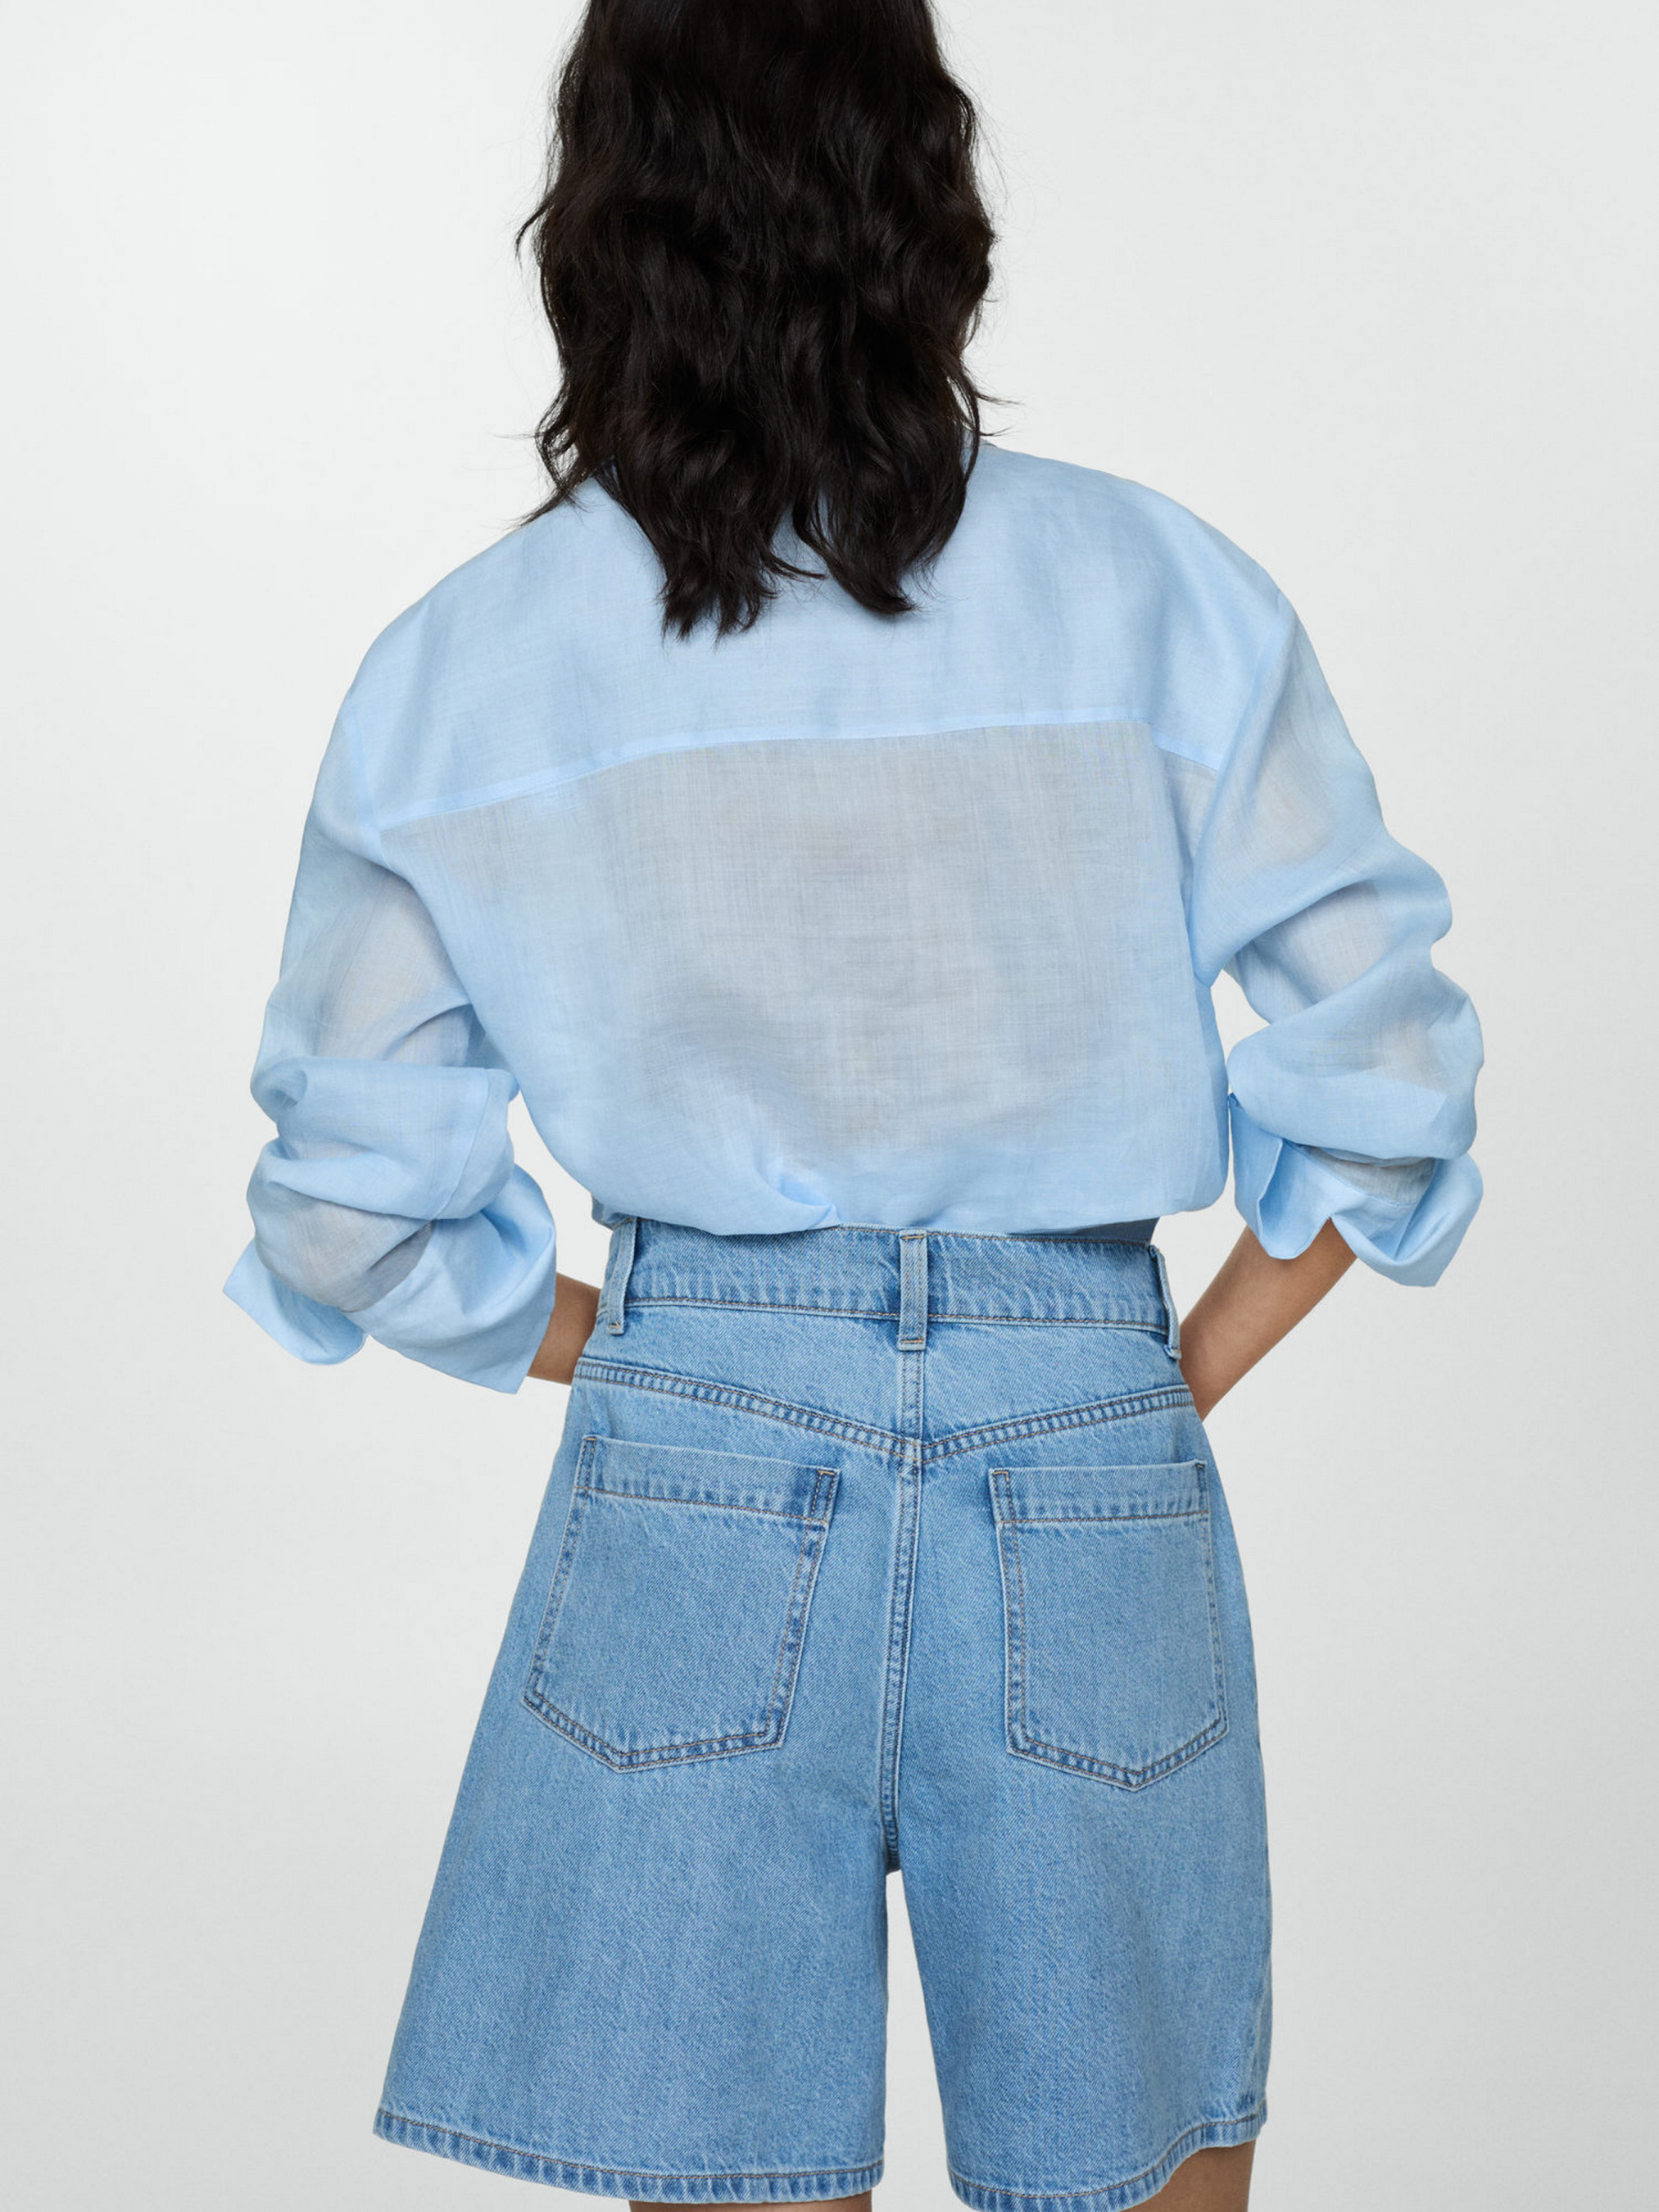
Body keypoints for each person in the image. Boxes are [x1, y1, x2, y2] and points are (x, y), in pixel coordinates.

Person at [224, 2, 1483, 2207]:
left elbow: (347, 1213)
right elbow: (1387, 1083)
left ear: (600, 230)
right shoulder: (1156, 592)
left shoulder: (465, 666)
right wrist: (1138, 1378)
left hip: (691, 1475)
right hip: (1082, 1460)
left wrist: (662, 1357)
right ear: (931, 203)